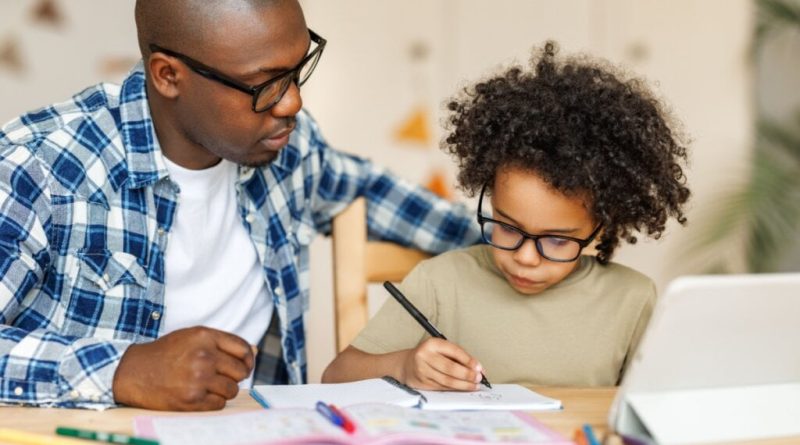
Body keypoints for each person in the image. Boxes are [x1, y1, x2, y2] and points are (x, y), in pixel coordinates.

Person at [0, 0, 481, 411]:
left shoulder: (289, 148)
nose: (292, 102)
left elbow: (374, 195)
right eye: (265, 84)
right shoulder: (39, 168)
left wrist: (522, 238)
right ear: (169, 75)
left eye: (297, 70)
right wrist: (123, 371)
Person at [322, 41, 691, 390]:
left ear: (601, 227)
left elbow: (652, 408)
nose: (525, 258)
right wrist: (404, 366)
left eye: (557, 239)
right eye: (507, 227)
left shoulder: (632, 299)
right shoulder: (440, 282)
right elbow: (336, 377)